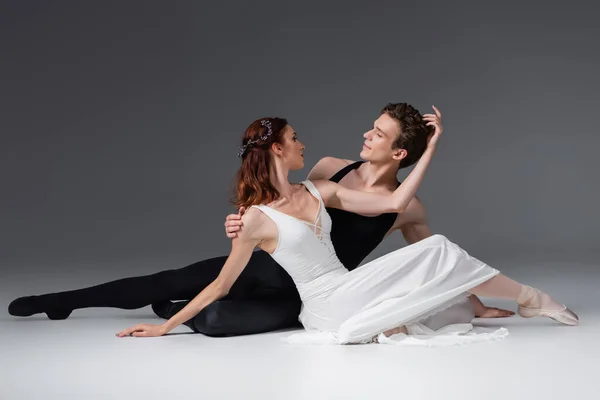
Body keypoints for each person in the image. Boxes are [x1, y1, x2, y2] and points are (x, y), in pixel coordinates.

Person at [8, 104, 510, 335]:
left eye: (377, 133)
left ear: (400, 152)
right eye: (371, 127)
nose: (366, 135)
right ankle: (59, 303)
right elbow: (281, 202)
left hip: (300, 292)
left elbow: (436, 259)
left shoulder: (407, 206)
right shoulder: (331, 169)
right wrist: (241, 221)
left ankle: (173, 313)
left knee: (219, 319)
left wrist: (478, 306)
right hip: (258, 264)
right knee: (159, 279)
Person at [114, 115, 578, 345]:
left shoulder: (320, 190)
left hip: (349, 289)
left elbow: (396, 203)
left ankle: (519, 300)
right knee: (437, 249)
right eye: (295, 139)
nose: (303, 144)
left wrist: (432, 147)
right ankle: (530, 299)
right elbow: (221, 284)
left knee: (435, 268)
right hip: (324, 306)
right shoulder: (255, 218)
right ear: (277, 150)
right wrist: (164, 328)